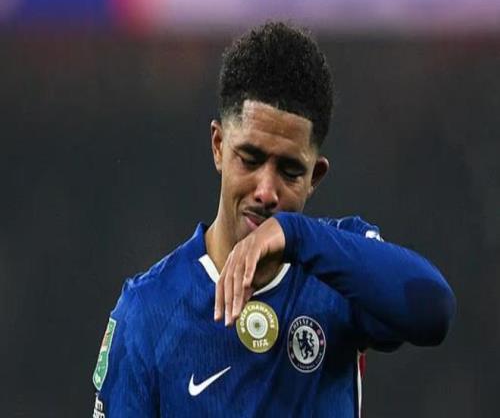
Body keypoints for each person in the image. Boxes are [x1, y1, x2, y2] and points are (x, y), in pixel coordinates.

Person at [92, 22, 456, 417]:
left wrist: (295, 235)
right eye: (250, 159)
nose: (266, 191)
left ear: (315, 176)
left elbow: (434, 310)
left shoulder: (338, 271)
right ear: (218, 146)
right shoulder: (149, 310)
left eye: (290, 171)